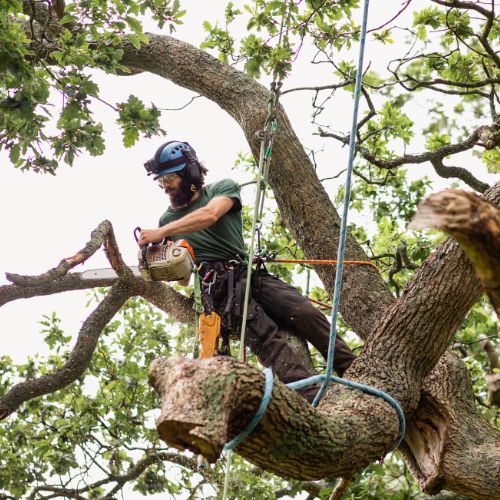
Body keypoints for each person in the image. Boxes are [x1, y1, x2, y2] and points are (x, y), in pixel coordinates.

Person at [138, 140, 356, 402]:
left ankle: (352, 369)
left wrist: (162, 232)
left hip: (246, 273)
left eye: (170, 177)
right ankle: (310, 396)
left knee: (304, 311)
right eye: (160, 180)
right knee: (266, 335)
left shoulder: (221, 189)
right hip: (216, 285)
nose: (165, 185)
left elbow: (210, 215)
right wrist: (164, 261)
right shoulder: (167, 220)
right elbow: (184, 279)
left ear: (190, 173)